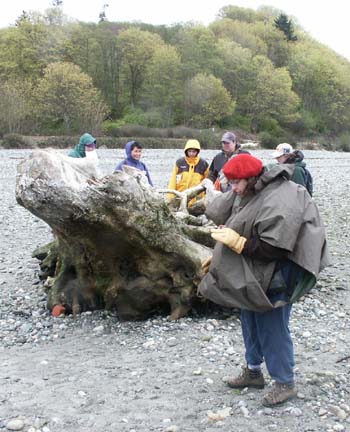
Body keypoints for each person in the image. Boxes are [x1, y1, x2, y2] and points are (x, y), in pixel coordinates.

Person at [198, 154, 329, 407]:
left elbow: (274, 248)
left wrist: (236, 243)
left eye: (236, 182)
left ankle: (285, 383)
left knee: (272, 324)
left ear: (251, 178)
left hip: (283, 269)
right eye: (231, 182)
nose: (233, 188)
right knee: (248, 314)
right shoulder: (249, 190)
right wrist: (219, 257)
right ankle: (254, 371)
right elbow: (230, 215)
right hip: (259, 266)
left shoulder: (281, 196)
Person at [167, 139, 209, 205]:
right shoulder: (179, 163)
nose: (191, 153)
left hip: (196, 201)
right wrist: (170, 198)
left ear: (197, 152)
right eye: (190, 151)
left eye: (194, 151)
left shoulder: (203, 164)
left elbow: (208, 183)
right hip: (180, 197)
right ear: (186, 151)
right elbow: (173, 181)